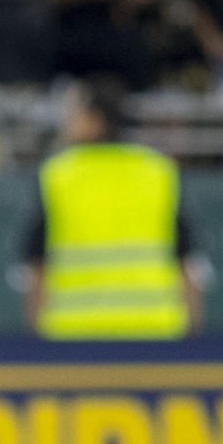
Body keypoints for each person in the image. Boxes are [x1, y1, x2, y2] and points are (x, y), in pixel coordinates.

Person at [22, 76, 204, 339]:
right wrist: (191, 337)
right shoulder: (159, 171)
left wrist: (36, 336)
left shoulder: (57, 174)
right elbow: (187, 263)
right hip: (154, 334)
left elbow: (37, 265)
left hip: (74, 337)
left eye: (76, 112)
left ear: (96, 121)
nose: (68, 120)